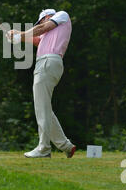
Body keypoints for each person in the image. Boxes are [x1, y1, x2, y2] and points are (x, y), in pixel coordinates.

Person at [8, 9, 76, 158]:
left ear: (46, 17)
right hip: (47, 63)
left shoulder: (61, 15)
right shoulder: (49, 32)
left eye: (40, 22)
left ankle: (44, 149)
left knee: (42, 108)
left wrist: (21, 34)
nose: (39, 25)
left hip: (48, 61)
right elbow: (38, 39)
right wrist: (18, 36)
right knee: (44, 107)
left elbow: (41, 29)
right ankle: (66, 146)